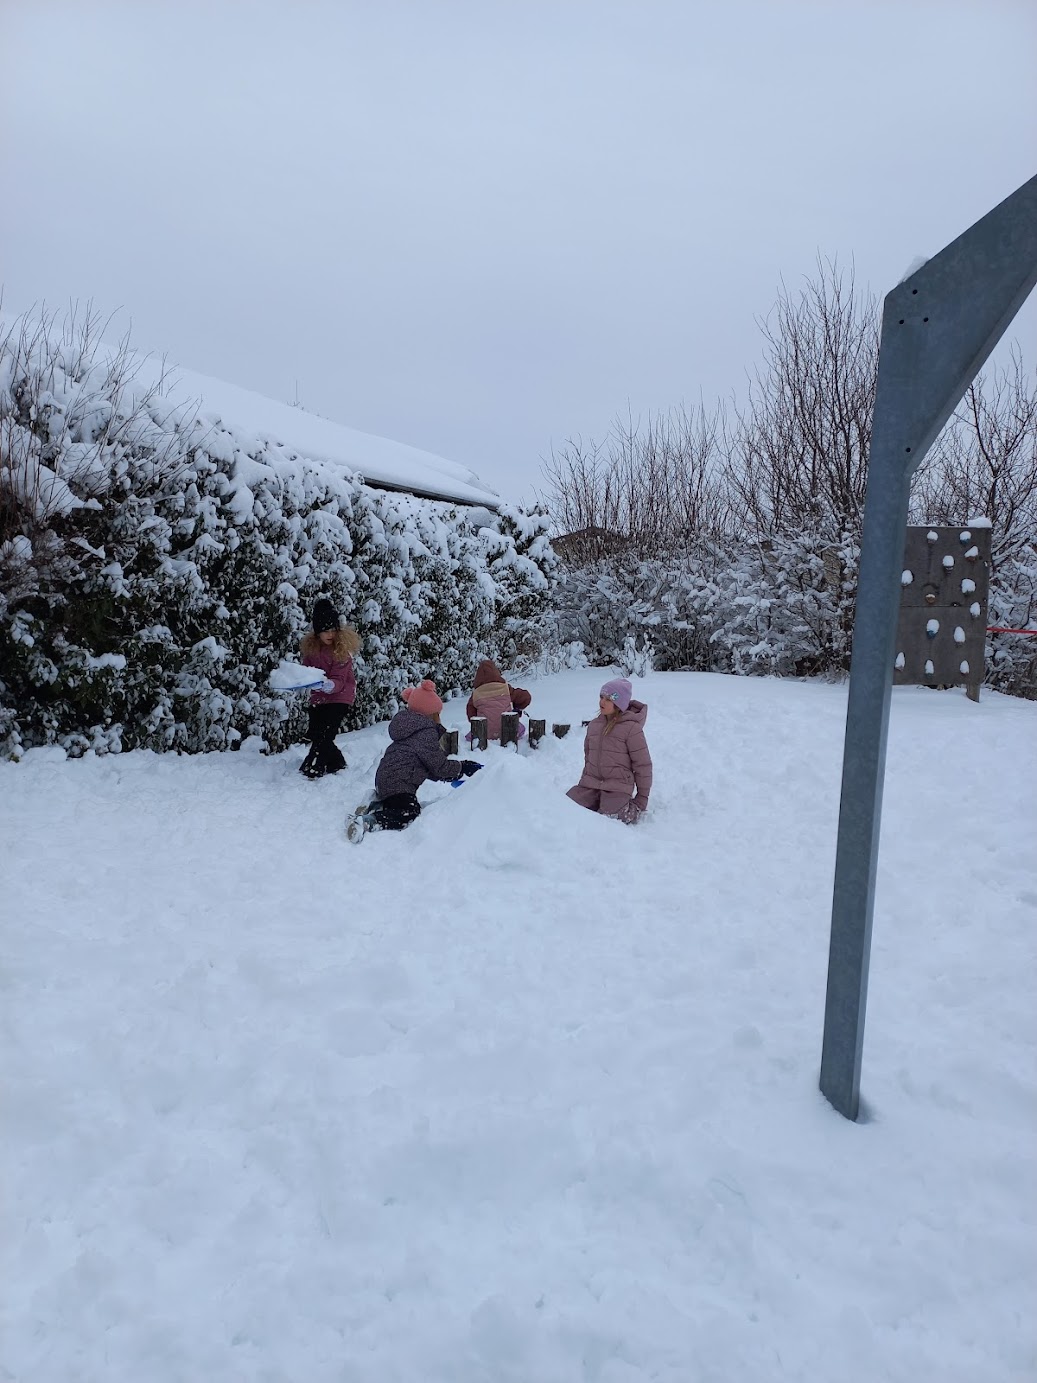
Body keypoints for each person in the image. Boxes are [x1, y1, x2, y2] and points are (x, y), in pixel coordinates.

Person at [365, 679, 481, 830]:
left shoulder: (409, 730)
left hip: (385, 780)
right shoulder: (425, 733)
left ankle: (375, 804)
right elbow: (438, 766)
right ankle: (371, 821)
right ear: (432, 714)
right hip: (399, 785)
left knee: (398, 803)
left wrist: (454, 773)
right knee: (409, 812)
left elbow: (427, 767)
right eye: (438, 713)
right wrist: (462, 767)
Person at [567, 677, 652, 824]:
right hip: (591, 785)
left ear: (619, 704)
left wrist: (642, 798)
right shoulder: (594, 726)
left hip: (617, 788)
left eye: (608, 699)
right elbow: (588, 758)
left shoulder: (631, 729)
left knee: (611, 819)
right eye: (601, 697)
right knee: (566, 806)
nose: (602, 702)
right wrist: (584, 782)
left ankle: (630, 810)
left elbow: (643, 765)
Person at [298, 598, 361, 778]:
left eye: (333, 630)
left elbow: (340, 678)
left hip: (341, 696)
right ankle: (336, 762)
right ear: (318, 632)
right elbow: (306, 671)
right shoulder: (312, 650)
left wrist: (330, 685)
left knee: (327, 732)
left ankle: (315, 765)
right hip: (319, 697)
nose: (330, 634)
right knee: (316, 731)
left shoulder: (341, 651)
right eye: (326, 630)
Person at [465, 658, 532, 742]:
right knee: (521, 728)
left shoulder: (476, 694)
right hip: (508, 730)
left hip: (484, 733)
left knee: (469, 737)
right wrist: (517, 708)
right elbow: (526, 697)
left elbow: (471, 716)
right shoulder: (505, 689)